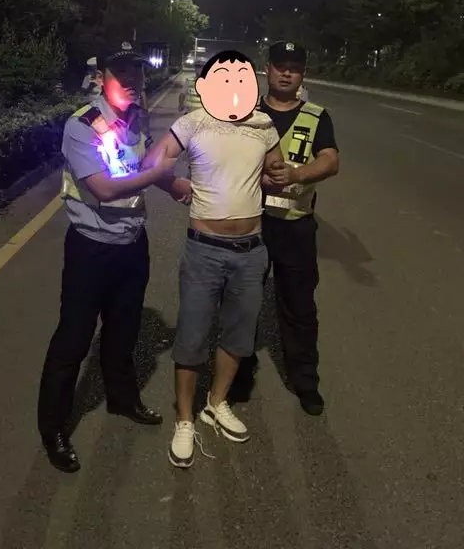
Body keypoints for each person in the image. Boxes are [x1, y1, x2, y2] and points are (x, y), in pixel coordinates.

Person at [38, 43, 189, 473]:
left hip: (131, 244)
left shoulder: (135, 118)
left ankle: (122, 400)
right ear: (102, 78)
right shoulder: (81, 125)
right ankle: (53, 428)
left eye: (137, 71)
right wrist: (158, 175)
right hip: (91, 249)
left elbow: (142, 164)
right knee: (73, 340)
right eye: (122, 72)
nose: (133, 80)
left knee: (124, 332)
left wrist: (174, 186)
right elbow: (103, 189)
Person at [145, 50, 284, 469]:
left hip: (251, 251)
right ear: (205, 87)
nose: (234, 88)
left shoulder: (264, 126)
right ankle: (184, 419)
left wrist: (282, 177)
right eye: (224, 79)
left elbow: (275, 171)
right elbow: (153, 161)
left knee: (238, 337)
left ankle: (216, 402)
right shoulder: (194, 122)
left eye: (241, 79)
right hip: (204, 250)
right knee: (191, 337)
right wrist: (172, 184)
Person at [237, 41, 339, 416]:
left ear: (303, 74)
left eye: (294, 67)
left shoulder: (317, 116)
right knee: (242, 303)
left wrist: (296, 175)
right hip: (250, 224)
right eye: (280, 65)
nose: (286, 72)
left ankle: (305, 382)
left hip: (295, 227)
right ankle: (238, 374)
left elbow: (330, 161)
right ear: (267, 69)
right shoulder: (245, 113)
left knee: (299, 308)